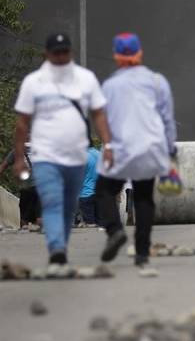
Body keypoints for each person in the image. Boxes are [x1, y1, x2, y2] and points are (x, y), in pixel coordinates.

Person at [12, 32, 112, 265]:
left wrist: (109, 145)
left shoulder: (85, 79)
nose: (60, 57)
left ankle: (60, 241)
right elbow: (22, 123)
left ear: (71, 53)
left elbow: (98, 115)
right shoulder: (33, 83)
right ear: (46, 54)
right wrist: (18, 157)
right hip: (45, 155)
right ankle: (57, 248)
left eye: (64, 52)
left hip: (76, 155)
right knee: (52, 198)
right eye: (55, 53)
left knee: (68, 203)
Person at [95, 33, 177, 267]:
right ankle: (141, 253)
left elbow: (104, 119)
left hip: (121, 147)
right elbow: (167, 119)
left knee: (104, 190)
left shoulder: (109, 85)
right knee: (143, 197)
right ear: (140, 53)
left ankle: (114, 231)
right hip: (150, 147)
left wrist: (107, 144)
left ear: (116, 56)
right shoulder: (157, 81)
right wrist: (170, 148)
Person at [0, 143, 41, 228]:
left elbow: (3, 166)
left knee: (25, 219)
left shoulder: (17, 151)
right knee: (38, 217)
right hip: (38, 188)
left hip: (27, 189)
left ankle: (26, 229)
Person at [78, 146, 101, 226]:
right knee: (100, 223)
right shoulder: (99, 154)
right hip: (99, 192)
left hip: (86, 193)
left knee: (90, 224)